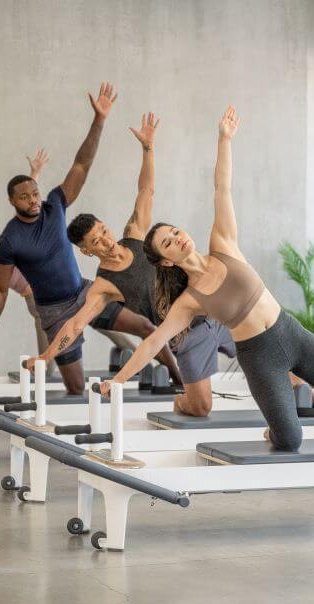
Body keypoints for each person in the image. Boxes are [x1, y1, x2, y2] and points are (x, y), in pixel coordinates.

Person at [101, 107, 314, 450]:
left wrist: (224, 139)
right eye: (168, 242)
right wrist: (119, 379)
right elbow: (154, 342)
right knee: (289, 439)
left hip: (289, 331)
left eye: (175, 231)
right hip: (259, 356)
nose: (178, 238)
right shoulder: (190, 301)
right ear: (166, 261)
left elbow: (221, 189)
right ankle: (274, 429)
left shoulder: (223, 244)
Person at [26, 113, 219, 412]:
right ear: (87, 251)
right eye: (96, 242)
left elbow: (146, 191)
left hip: (209, 305)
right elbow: (75, 325)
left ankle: (307, 391)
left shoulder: (135, 236)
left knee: (265, 343)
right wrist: (46, 356)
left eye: (103, 231)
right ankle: (182, 401)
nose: (105, 240)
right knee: (201, 406)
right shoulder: (104, 285)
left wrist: (148, 149)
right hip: (183, 333)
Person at [0, 82, 154, 394]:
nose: (32, 200)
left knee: (145, 327)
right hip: (54, 311)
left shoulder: (54, 204)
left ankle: (172, 378)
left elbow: (81, 164)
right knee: (75, 387)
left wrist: (99, 121)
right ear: (12, 202)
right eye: (24, 197)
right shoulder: (9, 241)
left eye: (34, 193)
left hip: (84, 293)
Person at [0, 151, 132, 377]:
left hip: (67, 291)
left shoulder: (9, 240)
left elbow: (28, 205)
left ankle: (132, 355)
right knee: (52, 350)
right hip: (41, 304)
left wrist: (34, 172)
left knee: (100, 317)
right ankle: (45, 382)